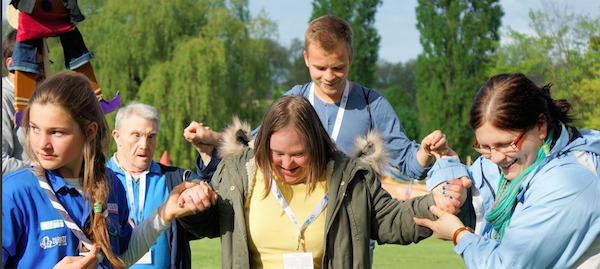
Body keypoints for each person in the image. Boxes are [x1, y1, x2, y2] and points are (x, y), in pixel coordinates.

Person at [184, 15, 456, 263]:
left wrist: (427, 151)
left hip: (347, 227)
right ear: (305, 59)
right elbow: (255, 150)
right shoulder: (293, 101)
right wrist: (214, 141)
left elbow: (408, 163)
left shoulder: (372, 105)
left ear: (351, 57)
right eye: (320, 67)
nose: (328, 76)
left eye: (337, 67)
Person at [179, 95, 473, 268]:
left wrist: (435, 204)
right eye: (276, 153)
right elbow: (205, 224)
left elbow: (392, 220)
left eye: (298, 154)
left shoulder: (351, 177)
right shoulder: (236, 174)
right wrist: (195, 207)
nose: (286, 163)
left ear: (318, 145)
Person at [2, 72, 215, 269]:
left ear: (89, 132)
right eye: (35, 129)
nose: (42, 144)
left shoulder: (110, 184)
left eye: (56, 132)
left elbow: (120, 257)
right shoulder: (14, 192)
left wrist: (164, 212)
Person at [414, 73, 600, 268]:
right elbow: (471, 181)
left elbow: (507, 264)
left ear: (540, 127)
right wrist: (448, 168)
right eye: (484, 146)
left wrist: (458, 235)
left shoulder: (567, 183)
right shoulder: (521, 159)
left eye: (505, 144)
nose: (495, 158)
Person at [107, 102, 206, 268]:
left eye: (151, 136)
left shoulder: (175, 179)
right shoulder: (97, 180)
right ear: (117, 136)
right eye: (136, 135)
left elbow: (209, 220)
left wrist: (206, 156)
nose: (144, 145)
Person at [7, 0, 120, 125]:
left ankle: (96, 99)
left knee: (77, 51)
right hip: (35, 13)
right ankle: (22, 110)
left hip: (58, 10)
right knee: (25, 57)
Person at [2, 29, 29, 175]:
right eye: (34, 63)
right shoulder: (4, 98)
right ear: (11, 64)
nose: (43, 71)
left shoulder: (36, 98)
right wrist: (44, 168)